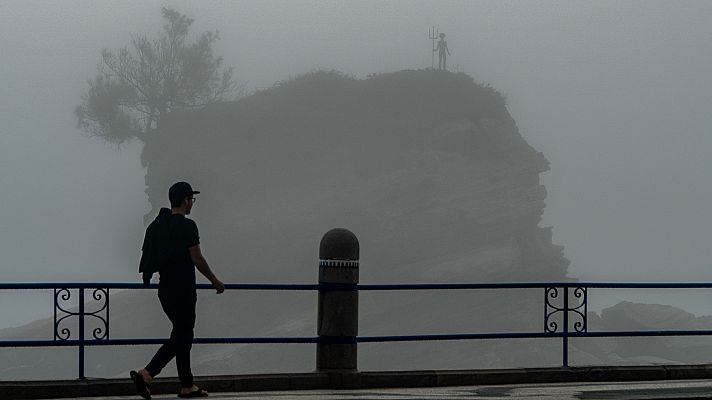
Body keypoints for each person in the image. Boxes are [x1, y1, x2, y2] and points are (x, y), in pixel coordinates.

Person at [131, 181, 225, 399]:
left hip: (165, 290)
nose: (192, 203)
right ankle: (147, 373)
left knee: (182, 334)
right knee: (182, 335)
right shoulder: (187, 226)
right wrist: (215, 281)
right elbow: (197, 258)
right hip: (183, 290)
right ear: (185, 200)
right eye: (192, 199)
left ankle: (187, 385)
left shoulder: (158, 226)